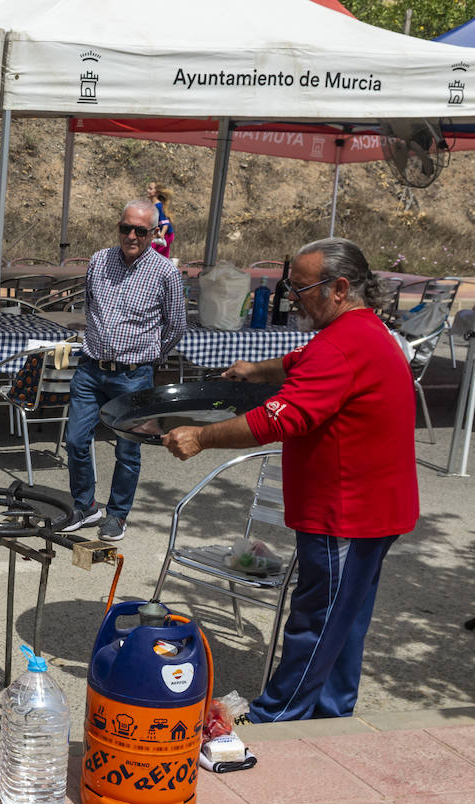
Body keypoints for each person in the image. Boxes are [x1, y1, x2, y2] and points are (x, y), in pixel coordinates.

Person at [163, 237, 418, 723]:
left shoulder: (342, 345)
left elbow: (279, 419)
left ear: (340, 287)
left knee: (317, 621)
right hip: (374, 509)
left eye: (302, 288)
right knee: (345, 621)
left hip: (347, 512)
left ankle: (278, 718)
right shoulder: (361, 332)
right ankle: (331, 715)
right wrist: (257, 369)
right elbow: (302, 360)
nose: (292, 297)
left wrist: (201, 436)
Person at [61, 198, 186, 542]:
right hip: (91, 369)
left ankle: (117, 515)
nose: (131, 235)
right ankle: (85, 506)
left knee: (128, 449)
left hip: (134, 375)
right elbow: (90, 305)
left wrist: (145, 357)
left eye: (140, 231)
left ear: (154, 233)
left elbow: (175, 325)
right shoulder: (99, 261)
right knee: (74, 440)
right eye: (125, 228)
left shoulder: (165, 273)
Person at [147, 182, 175, 258]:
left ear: (156, 193)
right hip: (157, 234)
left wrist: (162, 234)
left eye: (150, 189)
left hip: (165, 235)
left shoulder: (159, 206)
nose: (147, 190)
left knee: (159, 257)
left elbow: (165, 222)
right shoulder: (152, 205)